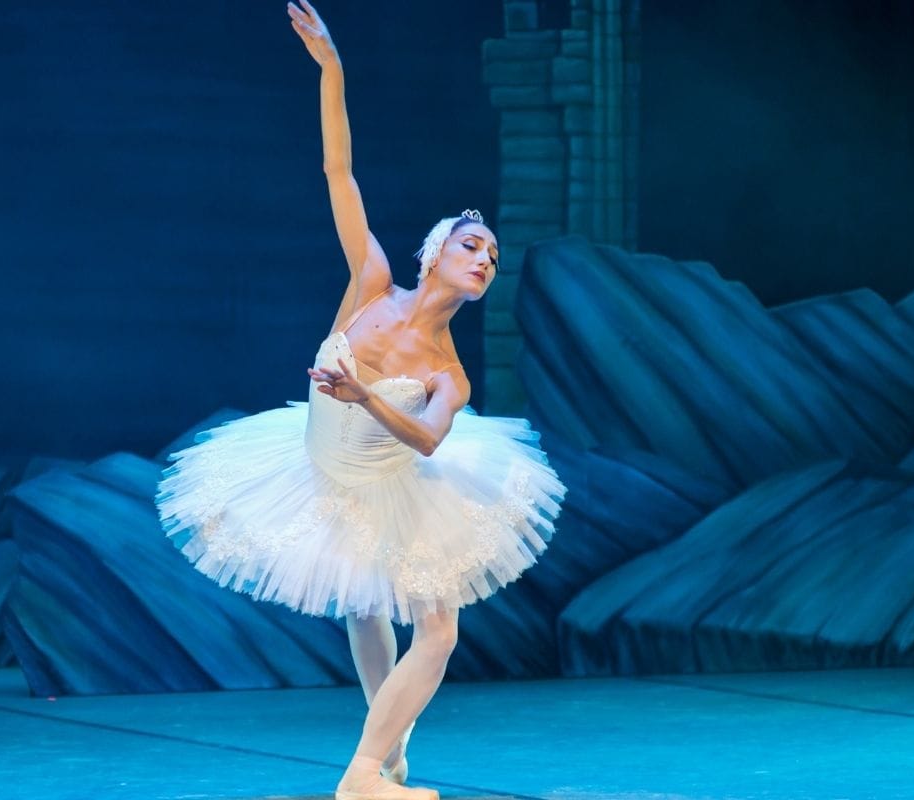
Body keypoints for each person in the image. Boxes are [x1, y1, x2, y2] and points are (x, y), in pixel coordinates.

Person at [154, 3, 567, 799]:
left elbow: (428, 443)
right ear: (435, 251)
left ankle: (365, 774)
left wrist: (361, 396)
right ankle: (387, 757)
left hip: (394, 480)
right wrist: (331, 67)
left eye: (493, 257)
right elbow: (338, 173)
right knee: (360, 605)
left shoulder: (451, 372)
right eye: (472, 244)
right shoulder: (371, 283)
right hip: (317, 467)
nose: (484, 259)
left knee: (438, 630)